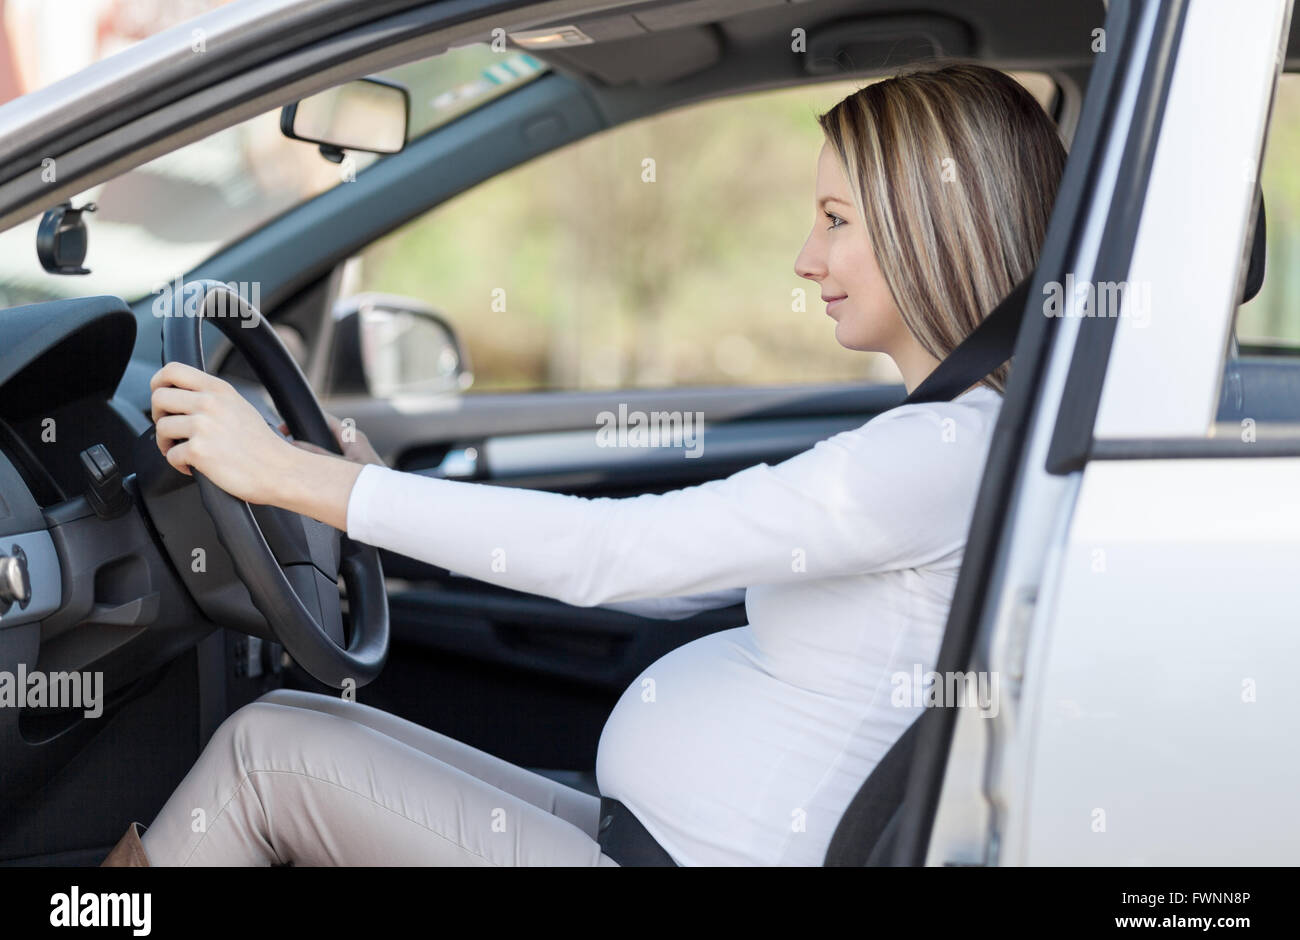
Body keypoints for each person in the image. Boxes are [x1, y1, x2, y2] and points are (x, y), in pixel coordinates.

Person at [101, 59, 1066, 867]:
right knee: (302, 731)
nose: (806, 260)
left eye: (836, 219)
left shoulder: (934, 455)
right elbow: (664, 582)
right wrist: (367, 495)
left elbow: (613, 554)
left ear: (937, 227)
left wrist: (295, 478)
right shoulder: (958, 440)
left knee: (266, 755)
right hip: (651, 837)